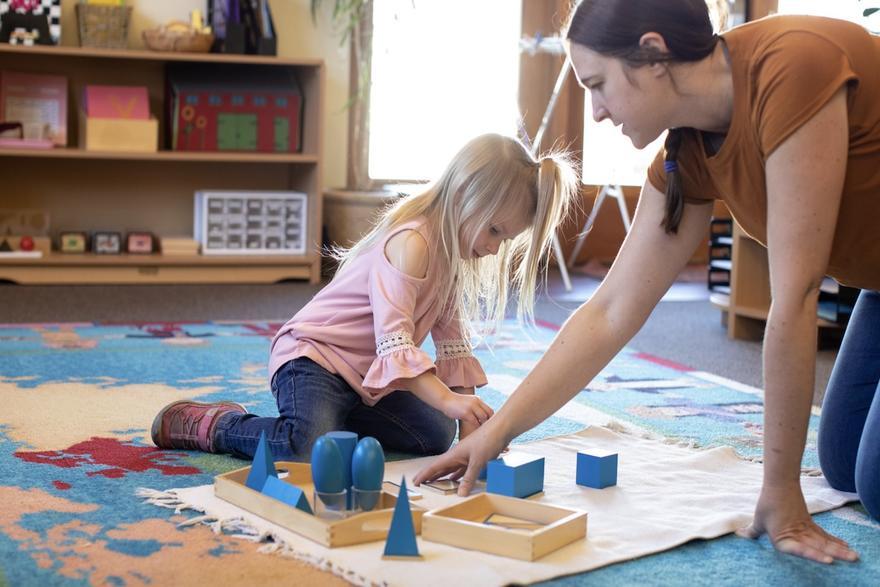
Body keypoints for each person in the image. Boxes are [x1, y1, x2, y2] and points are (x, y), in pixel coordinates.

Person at [415, 0, 879, 565]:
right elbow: (611, 310)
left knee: (876, 486)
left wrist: (782, 493)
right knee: (842, 464)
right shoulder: (687, 151)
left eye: (598, 85)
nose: (596, 112)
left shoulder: (791, 68)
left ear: (654, 54)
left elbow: (796, 298)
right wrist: (498, 432)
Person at [151, 133, 579, 463]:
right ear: (464, 194)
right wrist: (450, 401)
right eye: (495, 231)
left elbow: (453, 348)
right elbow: (395, 346)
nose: (495, 248)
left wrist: (469, 425)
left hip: (368, 381)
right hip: (314, 359)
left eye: (506, 239)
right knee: (305, 448)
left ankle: (334, 420)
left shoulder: (453, 259)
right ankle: (217, 424)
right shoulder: (412, 243)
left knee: (435, 434)